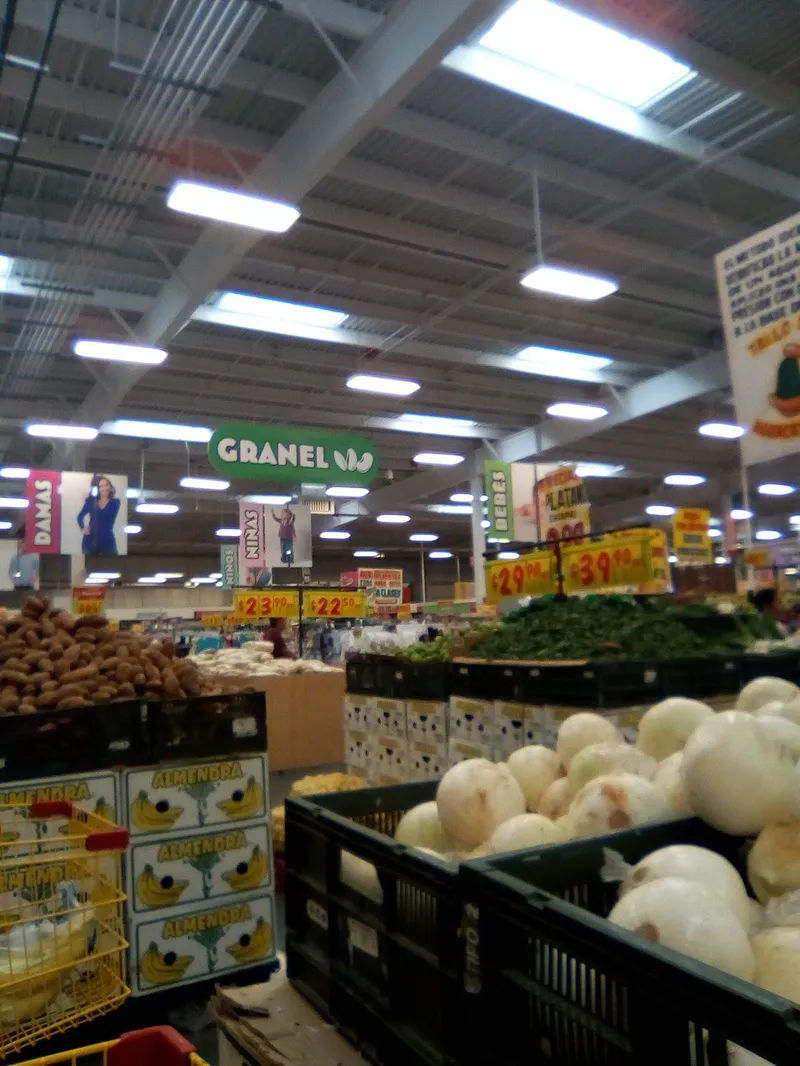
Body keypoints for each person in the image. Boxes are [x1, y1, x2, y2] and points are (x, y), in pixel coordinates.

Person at [77, 474, 120, 555]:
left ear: (110, 487)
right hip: (89, 542)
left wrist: (90, 499)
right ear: (97, 489)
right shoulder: (91, 502)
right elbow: (79, 517)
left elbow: (108, 515)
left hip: (108, 541)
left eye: (107, 485)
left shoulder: (115, 502)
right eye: (101, 486)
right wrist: (83, 528)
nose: (105, 488)